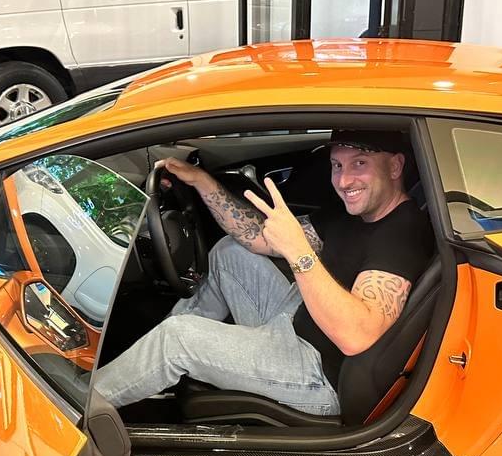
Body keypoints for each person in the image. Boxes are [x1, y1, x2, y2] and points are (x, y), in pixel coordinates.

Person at [93, 130, 435, 416]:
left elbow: (358, 336)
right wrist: (202, 182)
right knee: (229, 252)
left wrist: (299, 251)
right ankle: (155, 369)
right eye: (337, 165)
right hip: (295, 321)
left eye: (360, 164)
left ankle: (80, 409)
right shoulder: (353, 214)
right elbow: (259, 237)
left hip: (316, 372)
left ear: (395, 166)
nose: (344, 180)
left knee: (177, 338)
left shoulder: (403, 233)